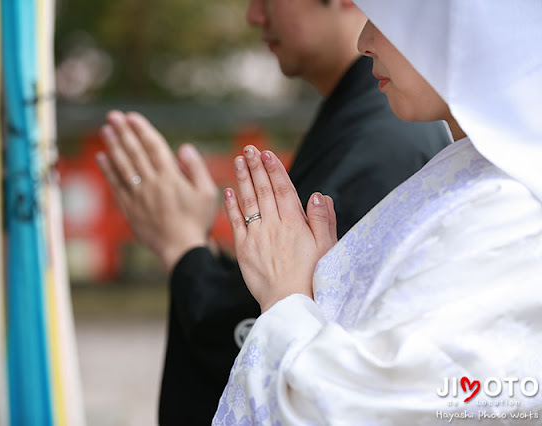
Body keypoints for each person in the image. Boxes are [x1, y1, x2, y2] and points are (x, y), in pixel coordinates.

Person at [96, 1, 452, 424]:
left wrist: (181, 247)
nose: (254, 16)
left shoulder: (383, 138)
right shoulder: (365, 114)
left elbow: (286, 324)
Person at [214, 0, 542, 423]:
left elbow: (359, 409)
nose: (364, 41)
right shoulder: (478, 171)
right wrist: (326, 291)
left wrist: (286, 295)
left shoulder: (508, 210)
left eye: (388, 20)